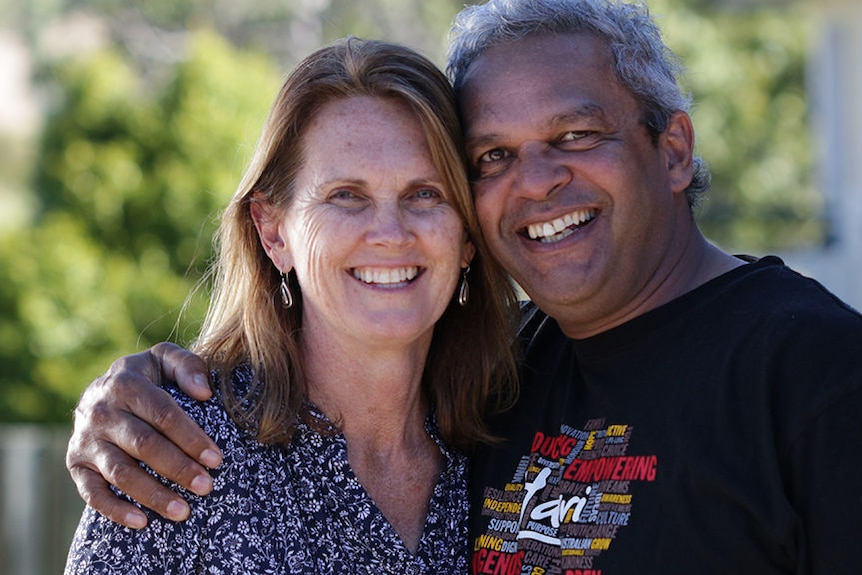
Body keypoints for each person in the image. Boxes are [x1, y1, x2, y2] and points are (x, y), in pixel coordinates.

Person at [66, 0, 862, 573]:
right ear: (273, 229)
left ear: (674, 148)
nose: (539, 182)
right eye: (493, 157)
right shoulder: (492, 388)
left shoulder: (818, 374)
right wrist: (119, 392)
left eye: (575, 136)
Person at [64, 36, 519, 574]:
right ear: (274, 231)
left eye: (426, 194)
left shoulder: (513, 441)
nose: (392, 234)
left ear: (467, 234)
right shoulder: (174, 453)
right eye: (346, 195)